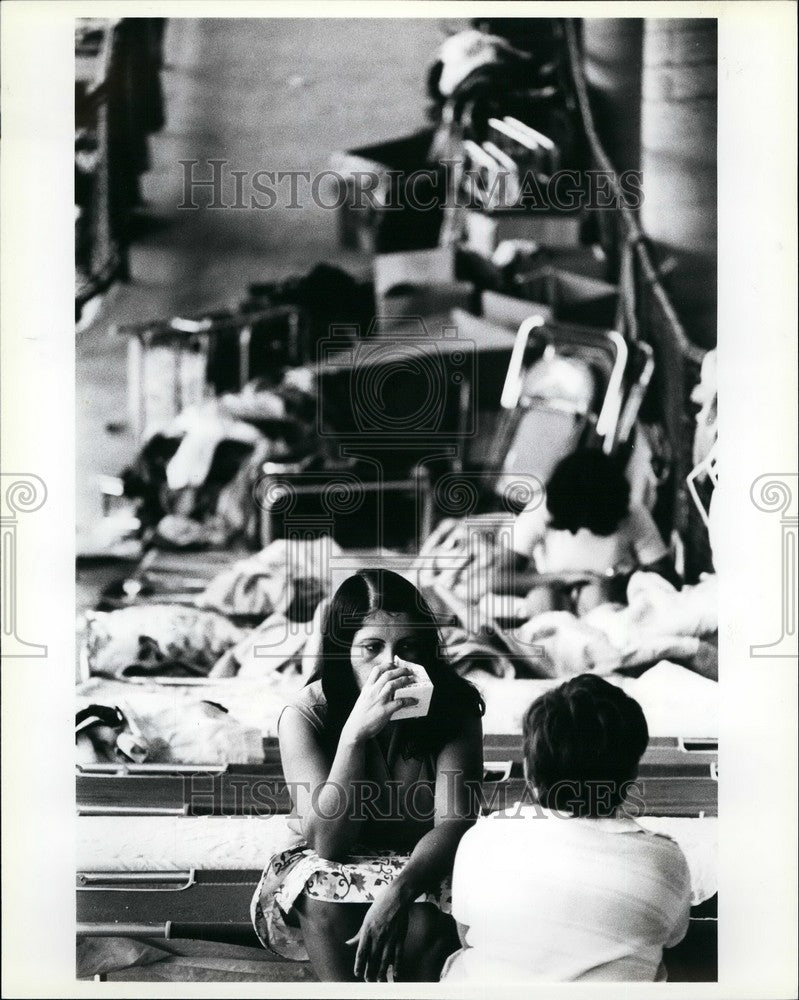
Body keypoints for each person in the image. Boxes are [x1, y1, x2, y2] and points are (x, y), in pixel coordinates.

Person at [251, 569, 484, 982]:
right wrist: (354, 736)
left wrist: (398, 893)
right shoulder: (306, 715)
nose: (392, 664)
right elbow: (328, 844)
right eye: (372, 648)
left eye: (408, 647)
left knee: (427, 925)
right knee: (322, 902)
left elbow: (454, 822)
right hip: (338, 861)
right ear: (343, 651)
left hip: (421, 864)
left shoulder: (454, 707)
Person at [442, 674, 692, 982]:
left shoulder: (482, 840)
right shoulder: (666, 860)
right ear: (630, 778)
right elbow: (674, 939)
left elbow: (467, 937)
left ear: (530, 775)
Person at [505, 448, 676, 613]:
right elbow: (495, 580)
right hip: (554, 592)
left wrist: (627, 580)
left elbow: (666, 576)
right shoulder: (541, 509)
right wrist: (563, 577)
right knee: (542, 598)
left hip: (605, 600)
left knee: (596, 596)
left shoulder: (630, 511)